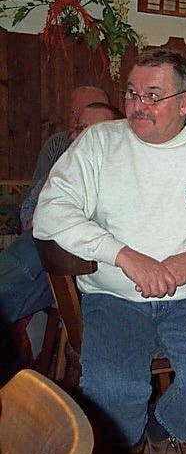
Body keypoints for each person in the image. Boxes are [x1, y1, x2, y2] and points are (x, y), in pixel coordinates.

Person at [33, 49, 186, 454]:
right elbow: (49, 213)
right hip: (112, 296)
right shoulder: (99, 143)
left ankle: (160, 430)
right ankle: (125, 448)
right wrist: (123, 255)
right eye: (132, 93)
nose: (138, 105)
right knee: (113, 392)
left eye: (153, 96)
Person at [0, 102, 123, 382]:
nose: (80, 135)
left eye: (91, 129)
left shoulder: (121, 172)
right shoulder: (63, 168)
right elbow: (29, 213)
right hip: (41, 253)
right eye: (78, 128)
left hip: (87, 270)